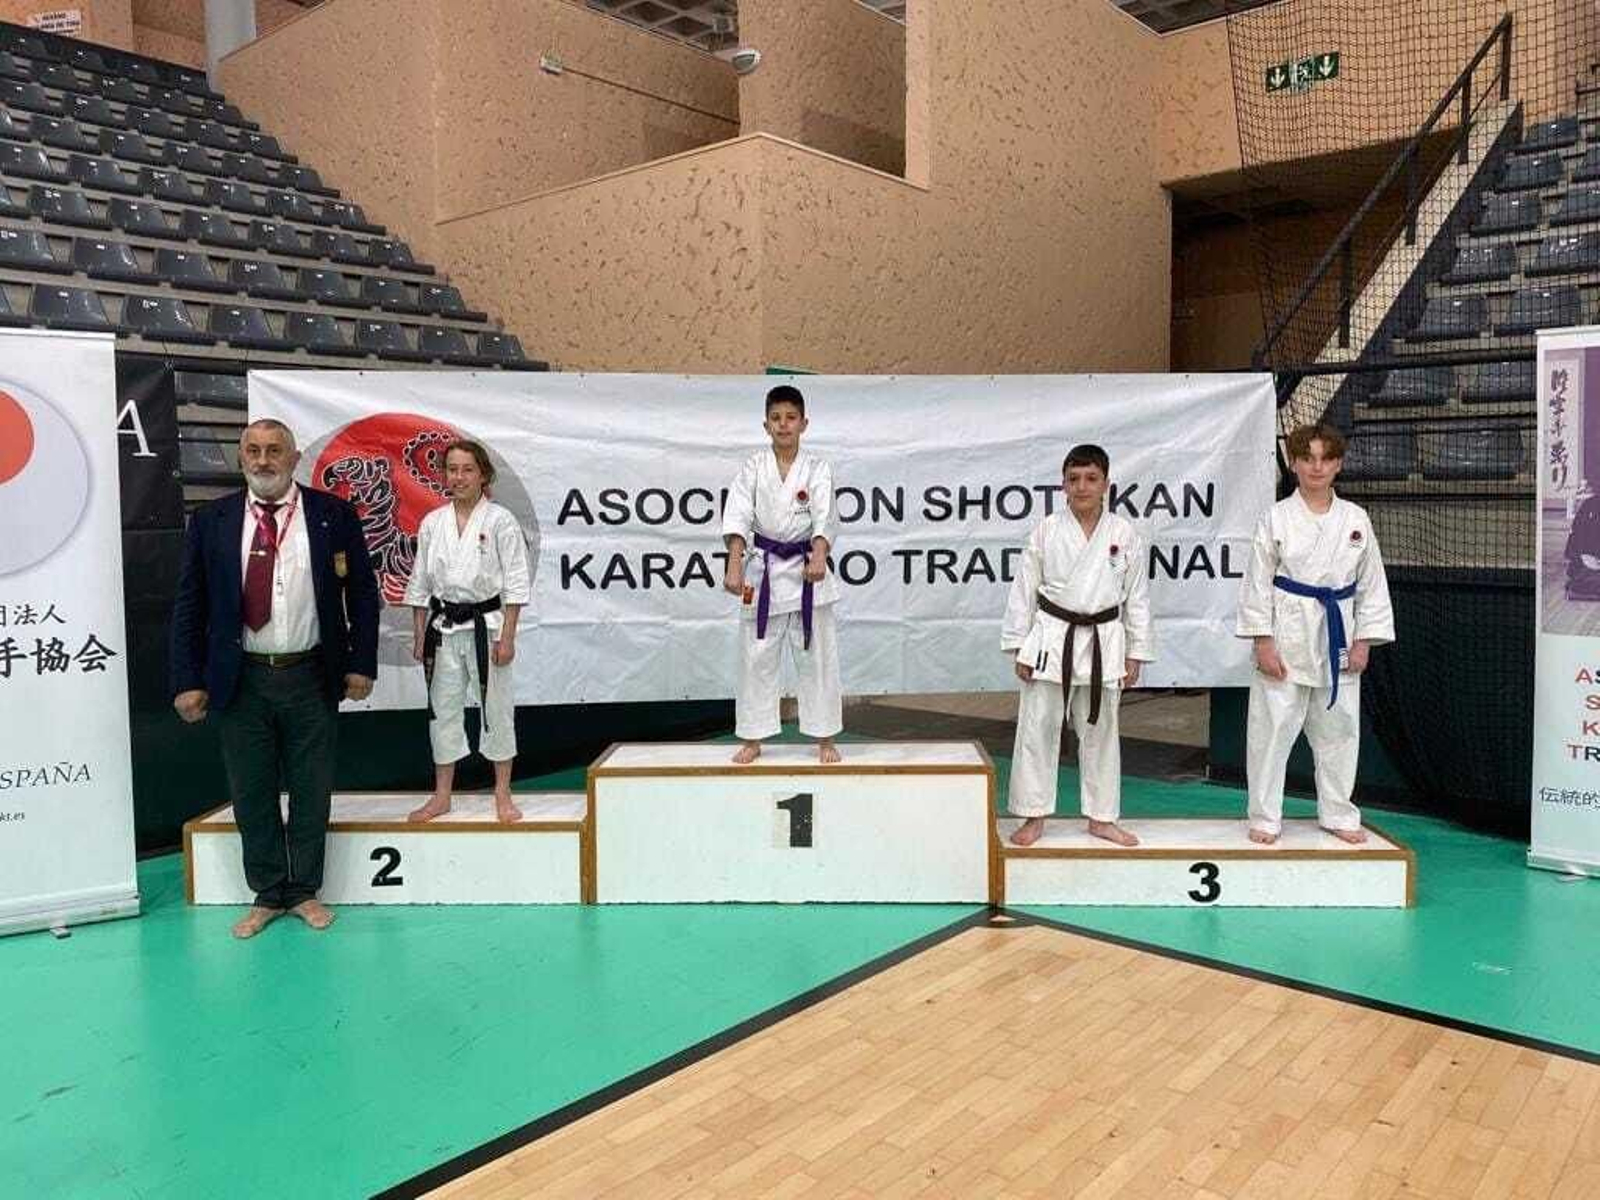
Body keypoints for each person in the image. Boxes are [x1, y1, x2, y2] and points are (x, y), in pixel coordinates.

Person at [170, 419, 380, 939]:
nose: (263, 460)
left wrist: (361, 662)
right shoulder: (212, 521)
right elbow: (189, 606)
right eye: (253, 450)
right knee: (252, 789)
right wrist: (186, 678)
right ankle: (267, 892)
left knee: (312, 788)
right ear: (240, 456)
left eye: (274, 450)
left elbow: (363, 596)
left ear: (293, 456)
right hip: (240, 678)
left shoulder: (332, 515)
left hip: (311, 673)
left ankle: (305, 890)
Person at [1237, 422, 1394, 845]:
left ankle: (1339, 813)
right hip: (1286, 631)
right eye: (1307, 458)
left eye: (1326, 458)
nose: (1316, 467)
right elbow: (1257, 582)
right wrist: (1262, 640)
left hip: (1338, 632)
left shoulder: (1355, 519)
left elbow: (1371, 584)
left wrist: (1364, 640)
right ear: (1294, 463)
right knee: (1270, 731)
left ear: (1338, 464)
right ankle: (1265, 816)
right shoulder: (1276, 517)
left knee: (1340, 730)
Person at [1002, 444, 1154, 847]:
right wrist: (1020, 644)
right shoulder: (1047, 530)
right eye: (1074, 479)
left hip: (1104, 639)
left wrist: (1135, 651)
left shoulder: (1123, 534)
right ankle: (1033, 816)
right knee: (1038, 727)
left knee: (1102, 730)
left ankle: (1102, 817)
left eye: (1091, 479)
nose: (1082, 487)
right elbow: (1024, 590)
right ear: (1062, 484)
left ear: (1106, 483)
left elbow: (1136, 595)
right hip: (1052, 638)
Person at [403, 440, 531, 823]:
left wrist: (507, 637)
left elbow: (516, 584)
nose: (458, 477)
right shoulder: (432, 523)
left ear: (483, 475)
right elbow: (420, 583)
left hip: (488, 628)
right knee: (442, 711)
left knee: (497, 708)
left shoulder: (500, 521)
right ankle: (442, 795)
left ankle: (502, 793)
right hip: (443, 629)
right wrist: (418, 633)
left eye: (467, 470)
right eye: (452, 469)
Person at [721, 384, 842, 764]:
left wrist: (819, 554)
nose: (783, 425)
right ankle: (754, 738)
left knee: (816, 656)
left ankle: (824, 737)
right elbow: (738, 514)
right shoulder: (753, 468)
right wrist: (734, 562)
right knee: (756, 656)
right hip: (765, 570)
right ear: (765, 424)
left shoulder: (817, 468)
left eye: (791, 418)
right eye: (776, 418)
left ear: (804, 423)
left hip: (808, 570)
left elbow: (825, 514)